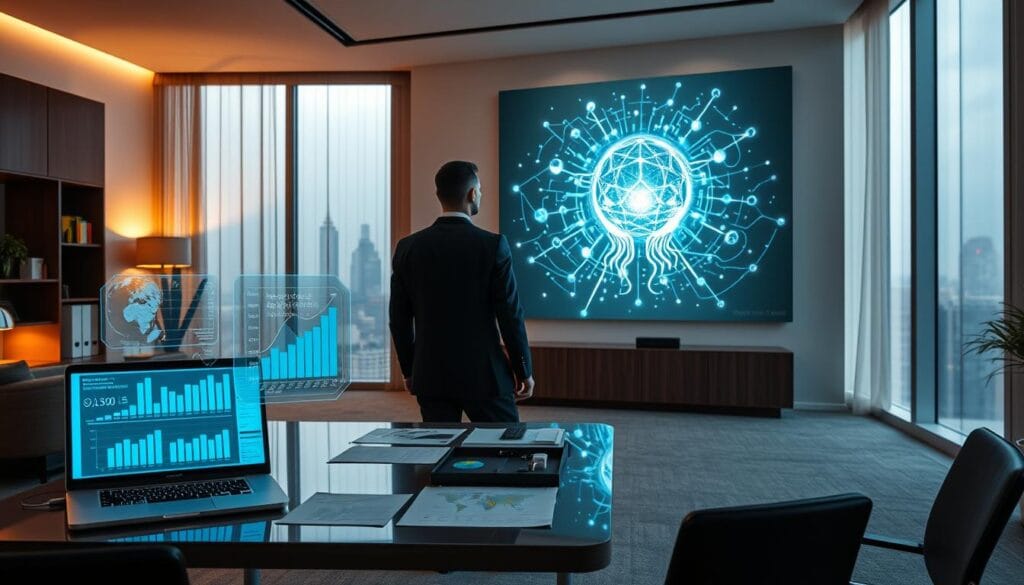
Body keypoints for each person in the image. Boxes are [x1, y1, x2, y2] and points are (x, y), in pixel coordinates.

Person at [389, 160, 534, 423]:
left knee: (437, 456)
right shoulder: (493, 246)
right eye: (480, 189)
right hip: (485, 376)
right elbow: (510, 315)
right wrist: (524, 370)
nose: (481, 194)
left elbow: (398, 320)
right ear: (472, 194)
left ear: (438, 195)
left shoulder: (408, 248)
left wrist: (410, 371)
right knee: (504, 451)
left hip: (431, 375)